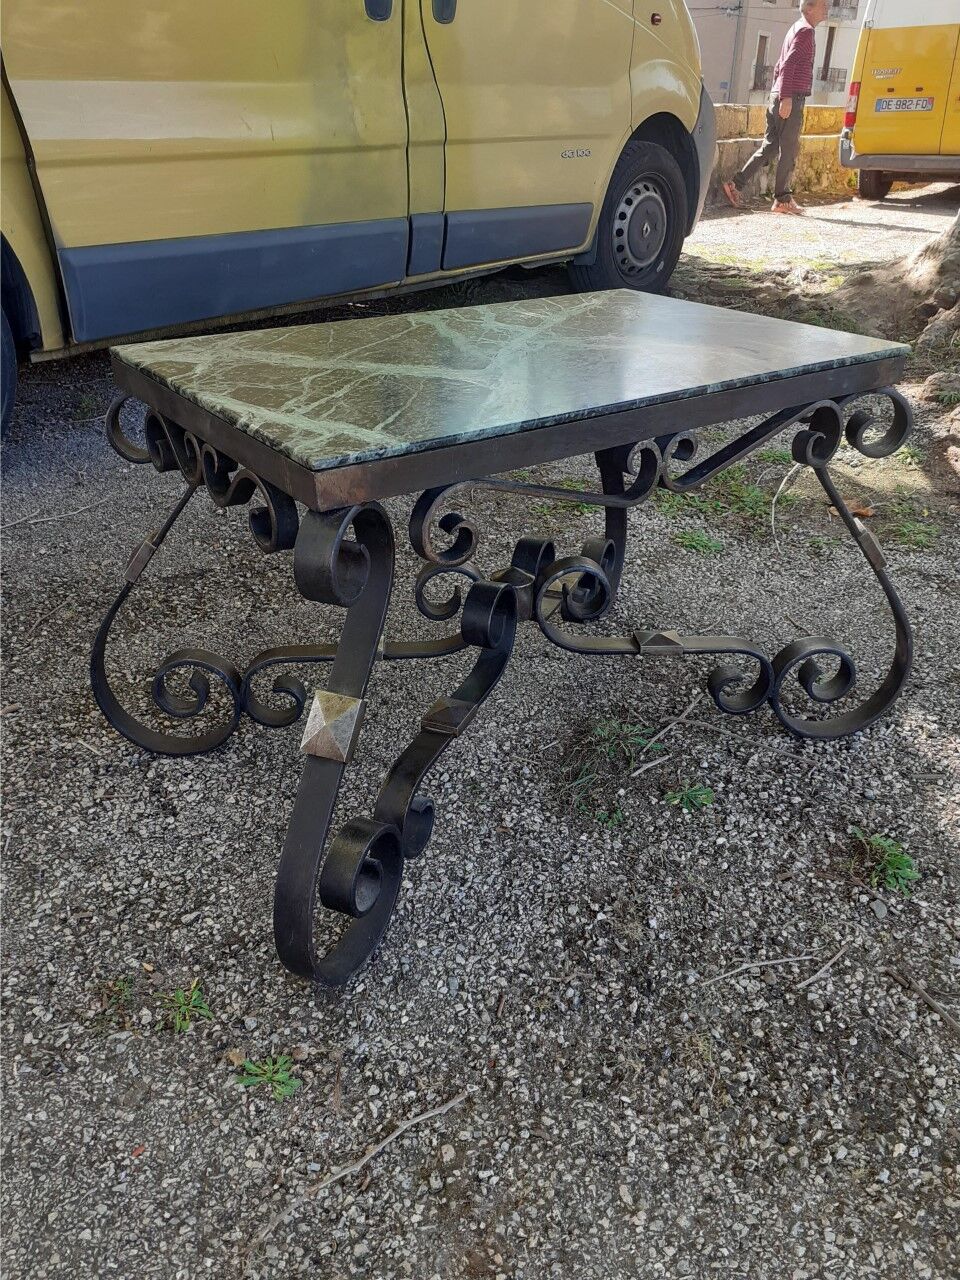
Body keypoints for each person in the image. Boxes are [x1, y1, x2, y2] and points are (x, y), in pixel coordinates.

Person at [723, 0, 829, 215]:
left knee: (770, 146)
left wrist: (777, 94)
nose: (827, 8)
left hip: (777, 95)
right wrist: (787, 98)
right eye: (823, 4)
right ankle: (782, 199)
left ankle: (735, 184)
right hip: (790, 97)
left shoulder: (795, 28)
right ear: (810, 8)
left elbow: (780, 65)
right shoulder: (806, 31)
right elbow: (788, 64)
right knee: (788, 150)